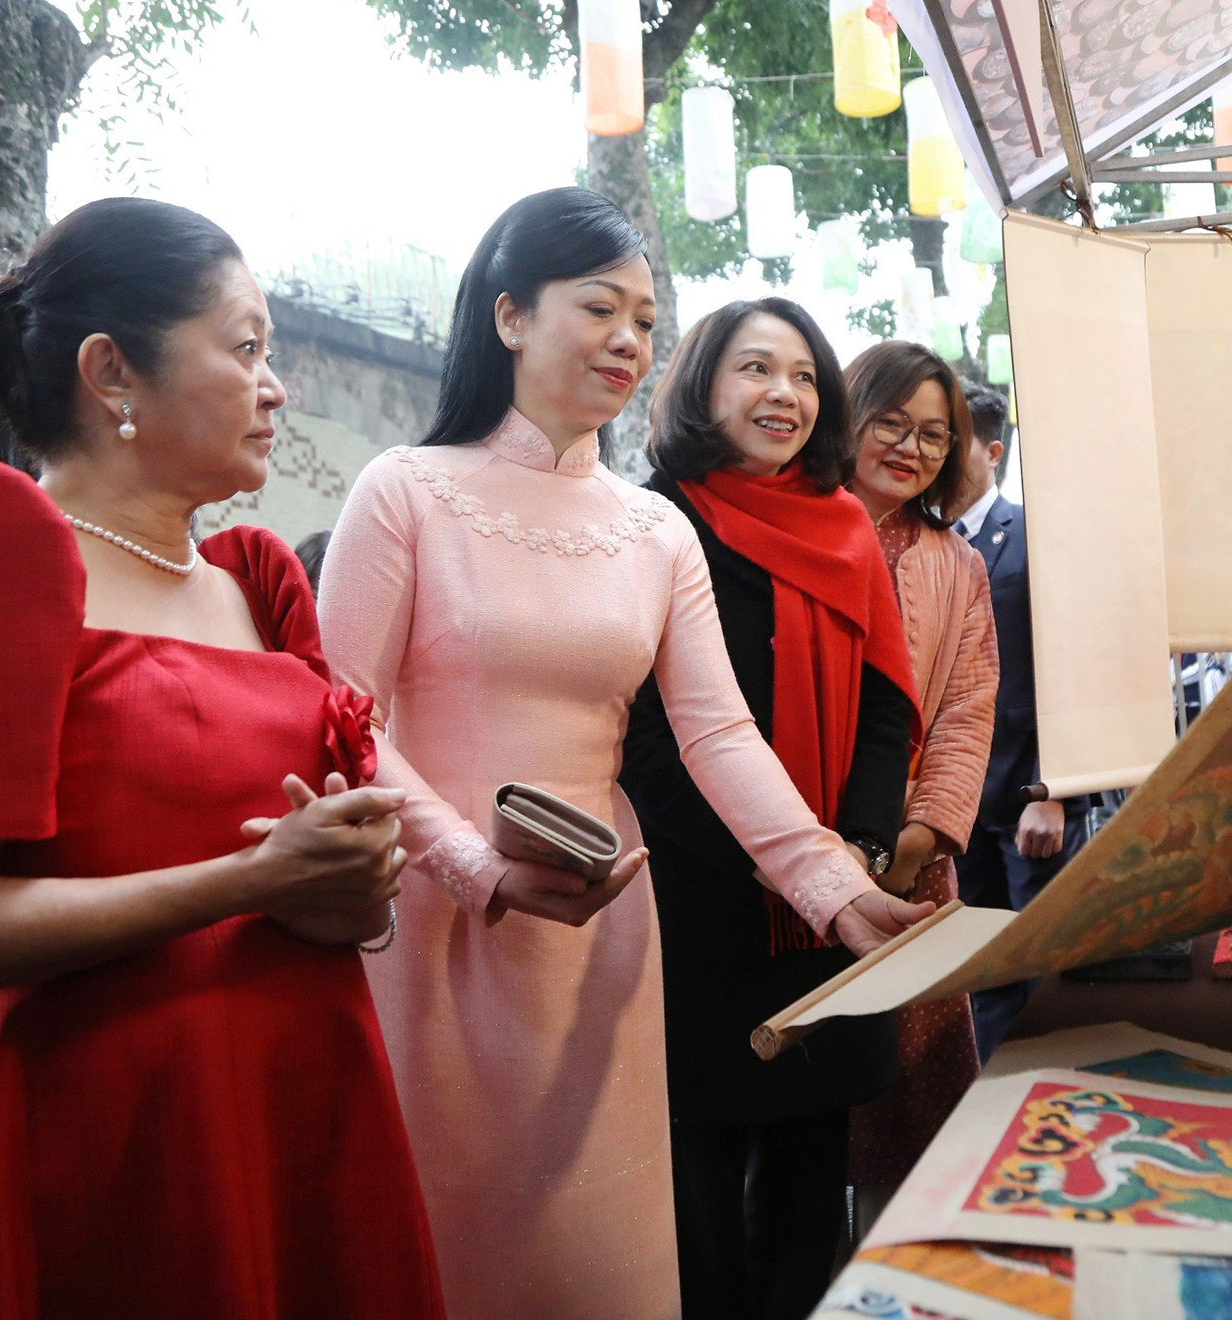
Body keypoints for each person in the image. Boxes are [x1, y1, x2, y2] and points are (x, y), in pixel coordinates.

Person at [315, 189, 931, 1319]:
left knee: (599, 1247)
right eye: (601, 308)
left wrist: (835, 887)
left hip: (601, 926)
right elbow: (339, 722)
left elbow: (717, 732)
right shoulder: (404, 492)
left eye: (646, 320)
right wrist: (476, 866)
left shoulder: (653, 530)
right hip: (443, 923)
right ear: (509, 316)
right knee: (452, 1241)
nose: (629, 342)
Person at [0, 197, 444, 1319]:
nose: (277, 386)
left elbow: (333, 882)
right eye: (246, 347)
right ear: (112, 370)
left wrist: (352, 892)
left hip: (296, 1092)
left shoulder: (256, 582)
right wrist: (249, 884)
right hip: (95, 1118)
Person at [621, 298, 921, 1319]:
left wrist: (859, 851)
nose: (782, 394)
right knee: (696, 1198)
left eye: (801, 374)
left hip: (833, 904)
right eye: (753, 369)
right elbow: (649, 737)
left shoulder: (845, 528)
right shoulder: (654, 521)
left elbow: (890, 708)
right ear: (703, 385)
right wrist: (766, 856)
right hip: (694, 900)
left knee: (807, 1191)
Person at [842, 341, 997, 1200]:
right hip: (785, 863)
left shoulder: (957, 563)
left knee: (915, 1108)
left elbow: (970, 710)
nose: (911, 448)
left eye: (934, 435)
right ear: (850, 416)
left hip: (913, 863)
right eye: (891, 423)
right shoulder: (792, 531)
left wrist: (920, 835)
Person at [948, 382, 1089, 1061]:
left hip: (1029, 801)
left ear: (992, 450)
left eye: (950, 437)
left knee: (1045, 970)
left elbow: (1074, 670)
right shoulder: (923, 545)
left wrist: (1054, 792)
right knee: (980, 973)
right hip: (953, 810)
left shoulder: (1037, 536)